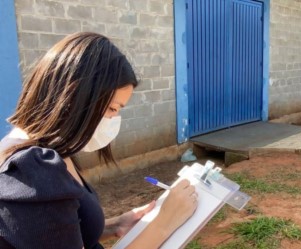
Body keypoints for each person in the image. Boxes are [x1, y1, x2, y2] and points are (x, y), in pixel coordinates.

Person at [0, 32, 198, 249]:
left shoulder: (48, 150)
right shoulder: (34, 173)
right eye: (112, 109)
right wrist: (164, 224)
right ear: (75, 96)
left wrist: (115, 226)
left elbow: (56, 230)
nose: (113, 120)